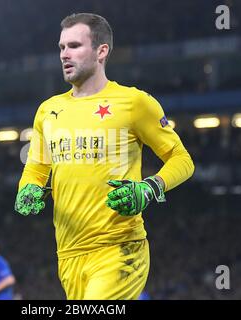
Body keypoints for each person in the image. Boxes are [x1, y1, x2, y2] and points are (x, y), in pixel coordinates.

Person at [14, 13, 195, 300]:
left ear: (101, 51)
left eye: (74, 46)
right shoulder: (47, 110)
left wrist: (150, 188)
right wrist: (28, 189)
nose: (64, 54)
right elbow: (36, 168)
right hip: (69, 254)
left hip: (120, 248)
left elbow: (182, 159)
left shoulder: (134, 102)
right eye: (61, 47)